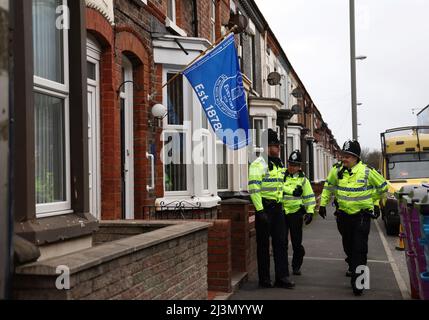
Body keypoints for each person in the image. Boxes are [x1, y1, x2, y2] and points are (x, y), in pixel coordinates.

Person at [318, 140, 388, 296]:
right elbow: (328, 187)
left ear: (356, 157)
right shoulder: (336, 171)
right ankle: (352, 264)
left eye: (348, 156)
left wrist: (374, 202)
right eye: (343, 155)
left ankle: (359, 282)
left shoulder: (368, 172)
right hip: (343, 216)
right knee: (348, 246)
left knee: (360, 249)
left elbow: (383, 187)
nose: (344, 159)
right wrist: (322, 205)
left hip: (362, 216)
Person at [248, 129, 295, 289]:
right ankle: (265, 279)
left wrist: (291, 191)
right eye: (276, 145)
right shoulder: (257, 165)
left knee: (281, 243)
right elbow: (254, 189)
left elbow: (280, 186)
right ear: (267, 147)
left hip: (278, 209)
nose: (279, 148)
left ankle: (282, 277)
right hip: (265, 209)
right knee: (263, 245)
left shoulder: (279, 164)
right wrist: (260, 211)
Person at [282, 150, 316, 276]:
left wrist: (310, 212)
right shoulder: (282, 177)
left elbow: (309, 197)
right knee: (282, 242)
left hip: (296, 214)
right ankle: (283, 267)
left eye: (295, 165)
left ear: (299, 167)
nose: (291, 167)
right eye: (290, 164)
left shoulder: (303, 180)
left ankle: (296, 265)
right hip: (282, 212)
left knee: (296, 243)